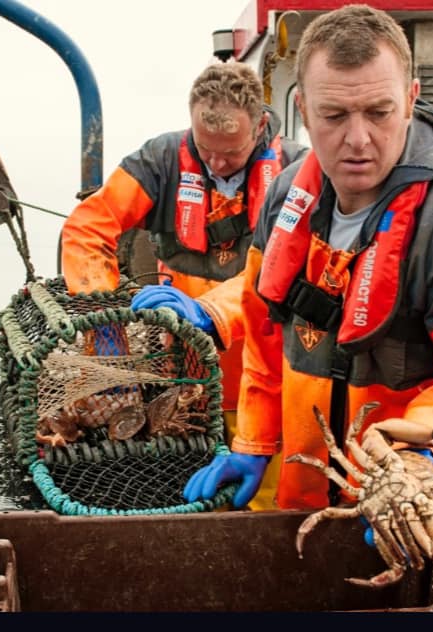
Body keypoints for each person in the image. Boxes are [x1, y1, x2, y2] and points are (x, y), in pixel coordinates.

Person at [184, 3, 433, 532]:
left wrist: (426, 467)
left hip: (408, 513)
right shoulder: (286, 197)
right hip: (300, 503)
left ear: (411, 99)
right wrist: (255, 441)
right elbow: (263, 332)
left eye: (379, 112)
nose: (357, 140)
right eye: (334, 116)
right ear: (302, 108)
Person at [60, 61, 308, 509]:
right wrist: (104, 324)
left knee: (267, 508)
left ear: (261, 127)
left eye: (230, 152)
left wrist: (209, 312)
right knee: (185, 503)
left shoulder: (299, 173)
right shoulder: (160, 160)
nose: (215, 162)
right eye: (205, 147)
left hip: (268, 379)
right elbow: (87, 228)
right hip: (183, 385)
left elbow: (281, 271)